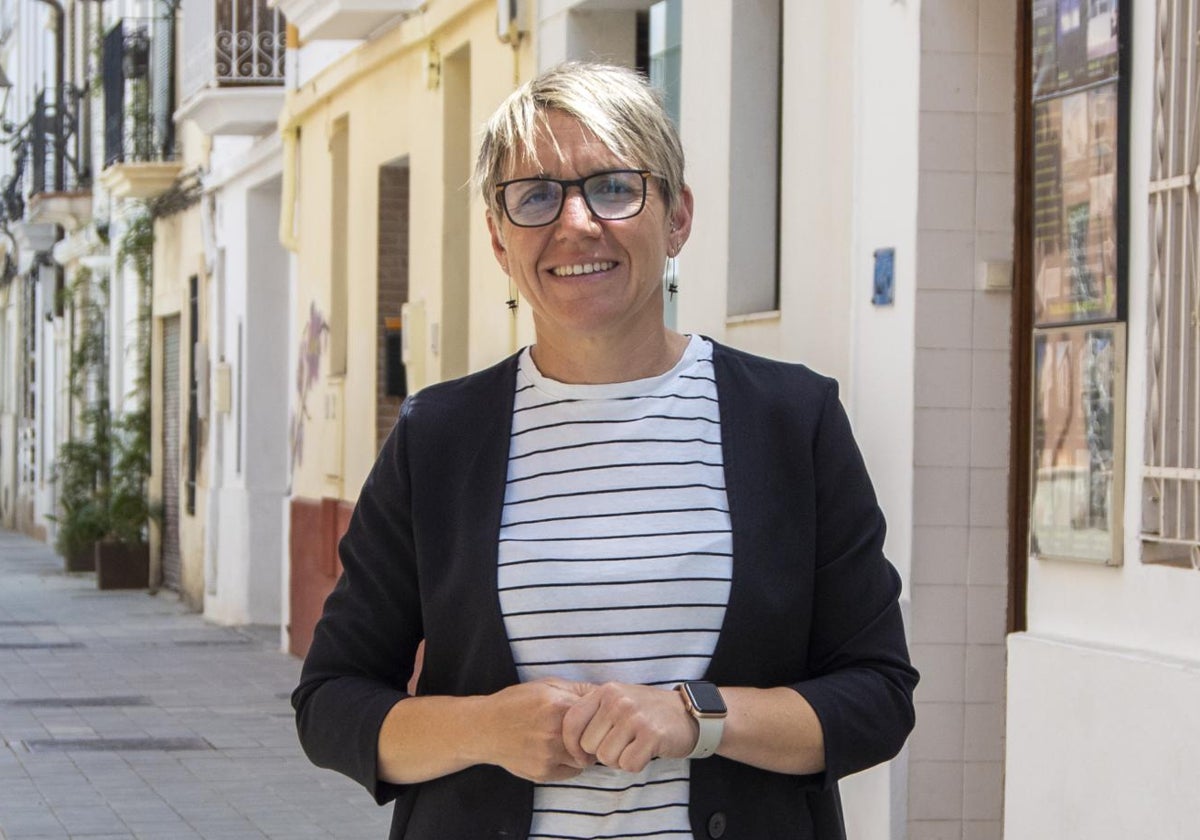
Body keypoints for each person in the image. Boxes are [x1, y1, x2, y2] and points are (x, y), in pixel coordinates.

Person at [293, 61, 918, 840]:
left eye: (613, 187)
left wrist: (696, 719)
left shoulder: (793, 421)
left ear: (678, 217)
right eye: (535, 196)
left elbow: (877, 695)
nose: (576, 223)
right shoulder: (439, 439)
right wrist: (486, 729)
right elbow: (331, 703)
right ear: (498, 238)